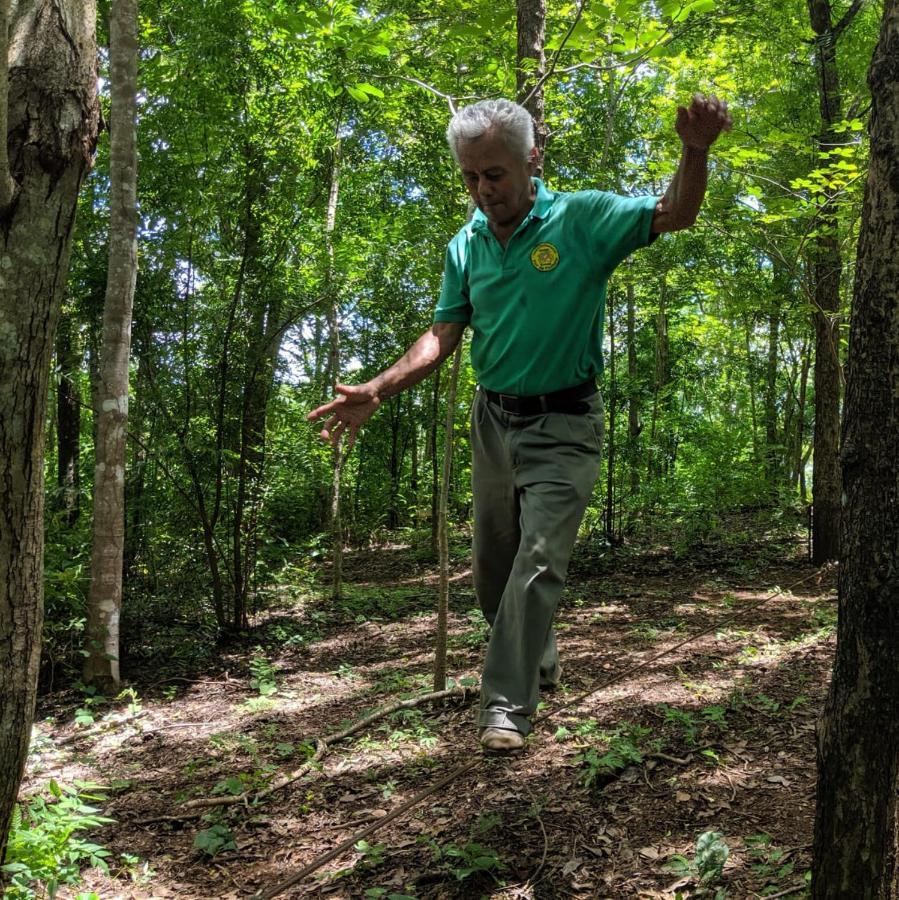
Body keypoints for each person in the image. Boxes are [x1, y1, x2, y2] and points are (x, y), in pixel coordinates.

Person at [308, 94, 731, 752]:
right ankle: (539, 654)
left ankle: (505, 707)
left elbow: (674, 212)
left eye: (494, 175)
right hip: (492, 423)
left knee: (537, 564)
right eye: (470, 178)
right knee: (493, 569)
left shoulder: (582, 219)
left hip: (564, 422)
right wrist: (379, 388)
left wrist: (695, 150)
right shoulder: (465, 244)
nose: (482, 191)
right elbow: (443, 333)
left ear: (531, 159)